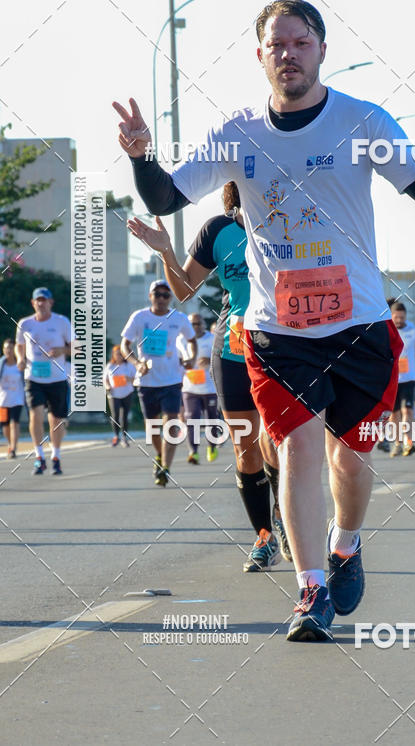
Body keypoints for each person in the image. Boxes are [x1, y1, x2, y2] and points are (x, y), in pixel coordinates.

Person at [114, 0, 415, 641]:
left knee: (349, 461)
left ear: (322, 49)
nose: (288, 54)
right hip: (277, 330)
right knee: (296, 452)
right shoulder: (238, 133)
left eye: (301, 42)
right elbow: (164, 195)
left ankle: (346, 543)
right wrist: (138, 154)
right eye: (277, 45)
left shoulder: (361, 120)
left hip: (357, 324)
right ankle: (311, 591)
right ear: (260, 56)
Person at [128, 182, 290, 572]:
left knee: (275, 442)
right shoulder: (218, 230)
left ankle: (285, 516)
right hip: (233, 346)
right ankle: (263, 536)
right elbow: (184, 289)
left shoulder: (292, 224)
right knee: (244, 446)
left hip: (284, 345)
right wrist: (165, 250)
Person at [121, 280, 197, 486]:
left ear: (170, 298)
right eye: (158, 294)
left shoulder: (179, 318)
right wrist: (136, 363)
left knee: (171, 423)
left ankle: (165, 468)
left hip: (172, 380)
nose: (162, 299)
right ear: (150, 296)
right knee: (153, 428)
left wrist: (191, 359)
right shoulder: (139, 317)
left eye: (166, 295)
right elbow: (124, 345)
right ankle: (160, 456)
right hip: (146, 381)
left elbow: (192, 341)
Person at [15, 287, 72, 476]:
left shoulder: (62, 322)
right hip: (34, 377)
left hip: (57, 377)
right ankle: (39, 457)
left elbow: (77, 348)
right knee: (35, 415)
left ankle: (55, 456)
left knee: (56, 419)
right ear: (33, 303)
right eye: (37, 300)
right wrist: (20, 358)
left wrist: (61, 351)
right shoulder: (25, 324)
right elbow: (19, 346)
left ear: (51, 302)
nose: (41, 303)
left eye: (44, 300)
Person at [387, 301, 415, 457]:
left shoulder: (413, 331)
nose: (399, 320)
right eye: (396, 317)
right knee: (395, 413)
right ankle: (397, 443)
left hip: (410, 378)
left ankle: (408, 441)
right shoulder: (386, 330)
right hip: (392, 379)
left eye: (402, 317)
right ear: (391, 316)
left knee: (408, 410)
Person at [179, 313, 220, 464]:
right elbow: (177, 359)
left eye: (198, 323)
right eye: (192, 324)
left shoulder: (212, 338)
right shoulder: (181, 340)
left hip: (210, 387)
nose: (195, 327)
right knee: (192, 419)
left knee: (211, 420)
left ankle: (212, 446)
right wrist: (183, 364)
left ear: (203, 323)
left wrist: (210, 360)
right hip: (190, 387)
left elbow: (220, 357)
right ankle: (193, 452)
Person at [104, 345, 137, 446]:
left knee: (124, 416)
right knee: (115, 416)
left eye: (121, 354)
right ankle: (116, 436)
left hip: (127, 393)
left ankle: (124, 437)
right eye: (117, 354)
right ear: (113, 355)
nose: (119, 356)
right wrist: (108, 386)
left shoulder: (129, 366)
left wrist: (129, 379)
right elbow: (105, 379)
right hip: (113, 394)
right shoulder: (110, 366)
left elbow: (136, 379)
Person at [0, 339, 25, 458]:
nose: (8, 350)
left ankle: (14, 448)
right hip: (3, 401)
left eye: (10, 348)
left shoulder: (20, 365)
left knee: (14, 423)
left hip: (17, 399)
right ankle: (10, 445)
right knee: (5, 425)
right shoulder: (1, 365)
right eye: (6, 348)